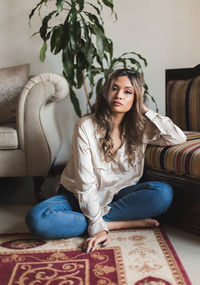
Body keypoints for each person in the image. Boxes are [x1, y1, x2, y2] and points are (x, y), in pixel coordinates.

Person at [26, 69, 186, 253]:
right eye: (114, 89)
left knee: (163, 193)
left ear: (136, 97)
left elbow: (177, 137)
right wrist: (96, 227)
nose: (119, 95)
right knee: (38, 219)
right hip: (77, 196)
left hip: (118, 196)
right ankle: (118, 223)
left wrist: (143, 108)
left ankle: (94, 220)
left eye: (128, 92)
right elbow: (85, 184)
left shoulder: (142, 127)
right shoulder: (85, 126)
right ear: (106, 92)